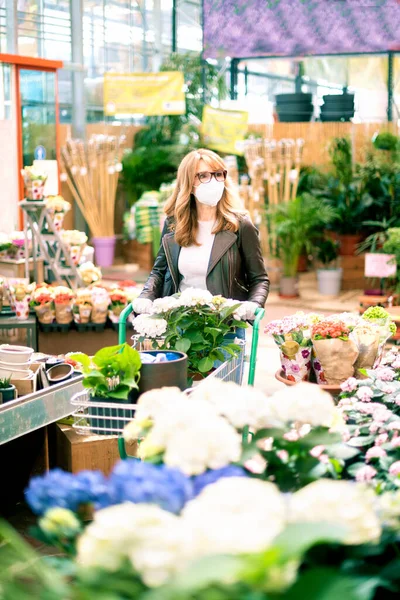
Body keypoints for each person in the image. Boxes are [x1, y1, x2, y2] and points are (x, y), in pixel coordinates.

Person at [133, 148, 269, 317]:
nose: (213, 181)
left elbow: (259, 279)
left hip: (224, 324)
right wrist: (146, 296)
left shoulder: (240, 225)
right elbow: (159, 271)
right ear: (189, 184)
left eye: (218, 174)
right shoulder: (174, 224)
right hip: (180, 323)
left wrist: (253, 304)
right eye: (203, 176)